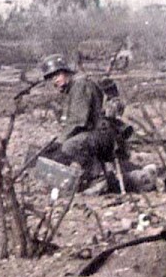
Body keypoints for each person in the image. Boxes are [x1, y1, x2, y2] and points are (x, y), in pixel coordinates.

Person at [40, 53, 120, 182]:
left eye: (57, 75)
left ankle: (92, 176)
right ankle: (81, 176)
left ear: (66, 72)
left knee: (68, 146)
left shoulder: (80, 86)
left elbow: (78, 121)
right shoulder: (72, 89)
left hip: (103, 135)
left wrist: (60, 141)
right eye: (51, 78)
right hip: (94, 135)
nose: (55, 81)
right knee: (51, 152)